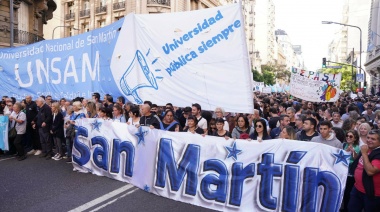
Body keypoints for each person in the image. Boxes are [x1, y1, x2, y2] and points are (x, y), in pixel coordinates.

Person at [347, 130, 380, 211]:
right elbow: (358, 161)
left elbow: (370, 171)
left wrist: (364, 153)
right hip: (357, 188)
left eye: (373, 139)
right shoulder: (366, 148)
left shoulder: (377, 154)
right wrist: (353, 152)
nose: (369, 140)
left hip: (372, 194)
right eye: (368, 138)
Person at [341, 130, 360, 212]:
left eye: (351, 136)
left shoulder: (358, 147)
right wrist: (346, 151)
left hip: (351, 174)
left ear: (355, 138)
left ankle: (347, 209)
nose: (348, 137)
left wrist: (353, 151)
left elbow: (357, 159)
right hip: (343, 171)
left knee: (348, 193)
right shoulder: (344, 145)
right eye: (347, 136)